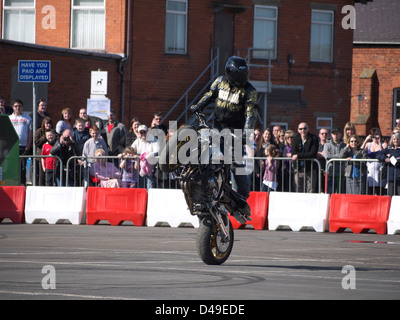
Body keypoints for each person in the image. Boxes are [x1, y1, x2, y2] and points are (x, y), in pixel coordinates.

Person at [189, 56, 257, 220]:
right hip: (217, 128)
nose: (243, 79)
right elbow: (209, 94)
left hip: (236, 134)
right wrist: (198, 106)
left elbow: (250, 114)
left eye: (245, 75)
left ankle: (242, 195)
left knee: (236, 164)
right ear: (230, 73)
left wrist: (246, 133)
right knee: (204, 151)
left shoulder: (250, 91)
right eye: (240, 76)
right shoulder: (219, 82)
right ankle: (202, 184)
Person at [9, 99, 32, 185]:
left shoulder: (28, 118)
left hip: (24, 146)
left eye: (19, 106)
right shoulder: (9, 118)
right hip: (12, 146)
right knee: (12, 166)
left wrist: (28, 145)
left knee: (22, 166)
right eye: (16, 106)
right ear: (13, 107)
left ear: (22, 107)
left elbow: (30, 133)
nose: (18, 108)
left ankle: (22, 184)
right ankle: (12, 183)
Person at [291, 122, 319, 193]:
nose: (303, 130)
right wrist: (300, 155)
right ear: (298, 130)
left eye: (305, 128)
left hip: (310, 168)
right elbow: (294, 153)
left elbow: (312, 154)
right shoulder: (295, 139)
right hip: (298, 168)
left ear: (308, 129)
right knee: (298, 189)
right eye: (300, 129)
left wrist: (298, 156)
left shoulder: (314, 138)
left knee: (310, 190)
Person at [131, 124, 160, 189]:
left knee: (150, 186)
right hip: (140, 168)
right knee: (141, 187)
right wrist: (125, 153)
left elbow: (157, 151)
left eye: (144, 132)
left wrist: (148, 156)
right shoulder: (137, 141)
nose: (143, 134)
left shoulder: (154, 140)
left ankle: (149, 199)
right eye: (141, 132)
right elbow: (131, 149)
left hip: (151, 168)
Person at [361, 127, 387, 195]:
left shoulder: (384, 144)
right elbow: (360, 151)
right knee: (370, 191)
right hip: (370, 171)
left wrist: (379, 142)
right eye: (373, 134)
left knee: (380, 191)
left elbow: (382, 152)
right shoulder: (368, 144)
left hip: (380, 171)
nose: (375, 136)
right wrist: (366, 140)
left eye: (376, 134)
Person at [323, 127, 346, 194]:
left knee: (340, 194)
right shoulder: (327, 145)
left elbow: (345, 156)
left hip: (341, 173)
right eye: (334, 134)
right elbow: (327, 156)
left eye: (337, 134)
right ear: (331, 135)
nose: (335, 135)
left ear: (340, 134)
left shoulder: (344, 145)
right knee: (329, 193)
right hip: (330, 173)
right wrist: (340, 156)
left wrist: (332, 156)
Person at [34, 117, 55, 185]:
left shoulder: (53, 132)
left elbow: (58, 138)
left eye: (49, 124)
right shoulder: (39, 131)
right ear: (43, 124)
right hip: (42, 156)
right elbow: (36, 142)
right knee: (42, 175)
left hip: (52, 158)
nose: (48, 125)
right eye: (46, 124)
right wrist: (45, 137)